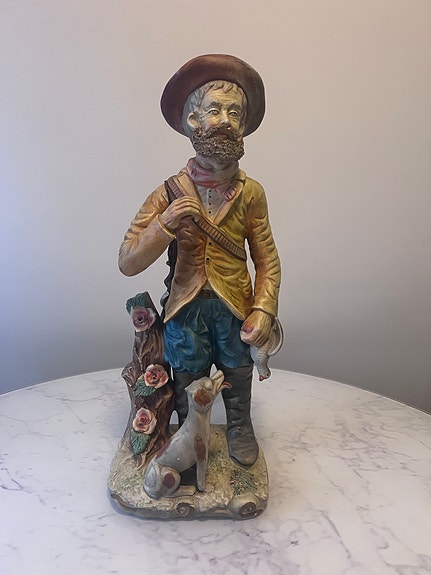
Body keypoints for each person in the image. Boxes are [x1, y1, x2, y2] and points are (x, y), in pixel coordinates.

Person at [119, 54, 281, 467]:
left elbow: (267, 260)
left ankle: (240, 425)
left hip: (234, 306)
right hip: (186, 307)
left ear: (242, 126)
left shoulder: (251, 193)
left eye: (234, 113)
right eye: (215, 110)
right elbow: (128, 261)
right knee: (188, 373)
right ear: (194, 122)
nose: (225, 120)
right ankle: (189, 435)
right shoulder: (168, 192)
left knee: (237, 370)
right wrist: (165, 224)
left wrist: (263, 309)